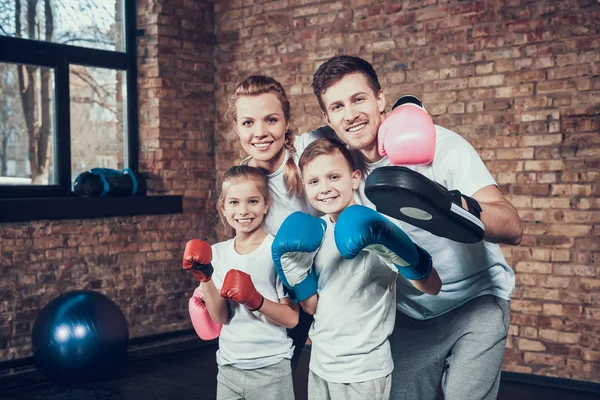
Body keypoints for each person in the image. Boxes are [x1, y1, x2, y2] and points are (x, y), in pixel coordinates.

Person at [310, 55, 523, 400]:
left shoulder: (440, 145)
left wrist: (447, 204)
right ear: (328, 118)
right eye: (337, 106)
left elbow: (512, 226)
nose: (350, 114)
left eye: (358, 99)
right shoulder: (339, 173)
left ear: (380, 100)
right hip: (409, 311)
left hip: (477, 301)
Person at [272, 137, 442, 400]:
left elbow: (432, 286)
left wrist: (391, 247)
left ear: (354, 178)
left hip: (366, 370)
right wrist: (295, 269)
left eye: (334, 177)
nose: (325, 188)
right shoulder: (314, 235)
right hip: (321, 364)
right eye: (314, 181)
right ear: (305, 187)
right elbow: (312, 307)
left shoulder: (376, 227)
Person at [224, 75, 335, 370]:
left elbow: (357, 129)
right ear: (236, 128)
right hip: (291, 290)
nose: (260, 132)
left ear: (286, 122)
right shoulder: (241, 180)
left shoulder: (311, 148)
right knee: (276, 374)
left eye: (271, 120)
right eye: (248, 123)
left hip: (337, 278)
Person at [182, 165, 299, 400]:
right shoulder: (217, 253)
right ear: (223, 208)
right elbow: (222, 317)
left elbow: (292, 319)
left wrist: (255, 300)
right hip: (228, 367)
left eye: (253, 201)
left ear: (267, 203)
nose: (243, 210)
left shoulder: (278, 252)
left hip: (271, 368)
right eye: (234, 202)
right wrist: (205, 276)